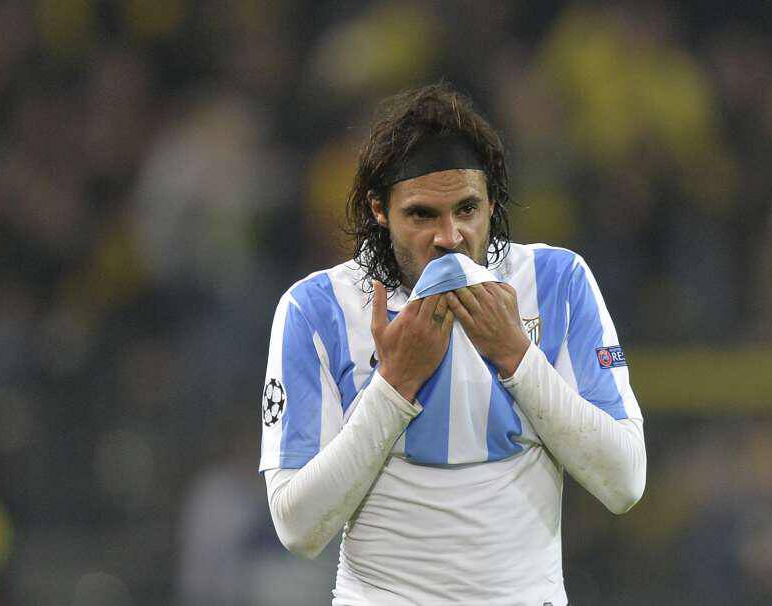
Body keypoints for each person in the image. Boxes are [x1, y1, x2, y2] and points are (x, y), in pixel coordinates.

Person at [259, 83, 646, 605]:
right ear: (379, 209)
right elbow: (297, 528)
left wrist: (516, 357)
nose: (450, 236)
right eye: (422, 214)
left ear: (491, 202)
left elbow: (625, 482)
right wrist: (394, 386)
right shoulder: (316, 308)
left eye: (467, 209)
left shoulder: (558, 282)